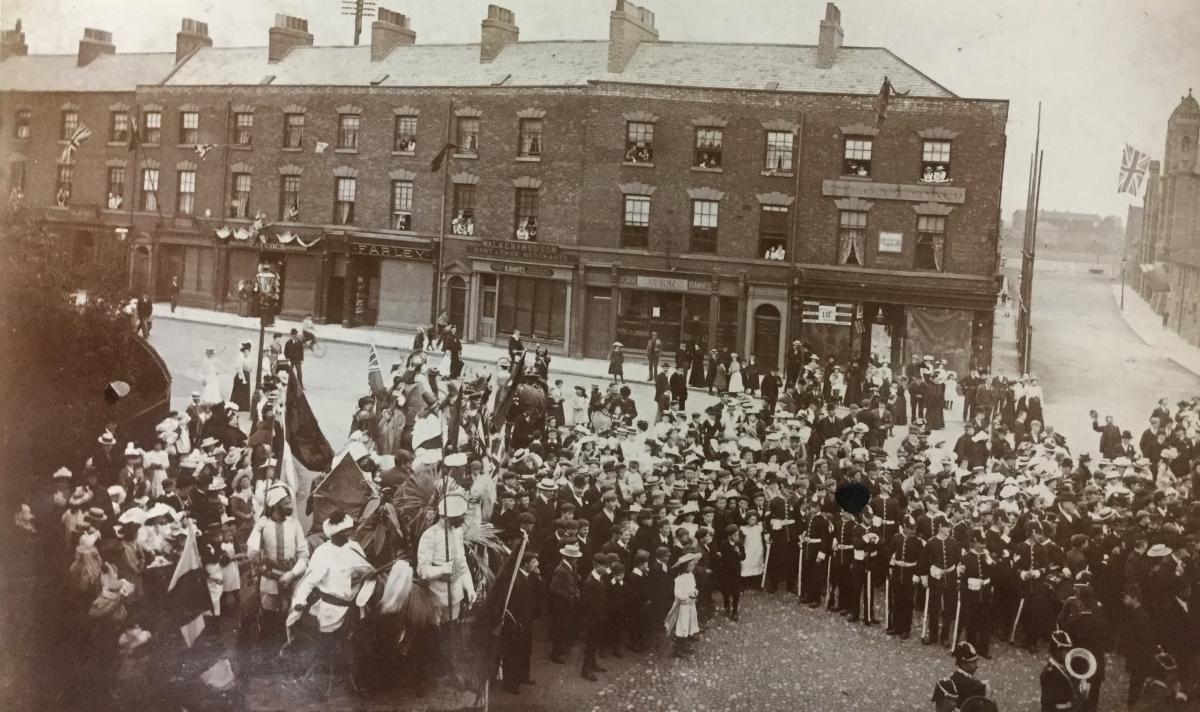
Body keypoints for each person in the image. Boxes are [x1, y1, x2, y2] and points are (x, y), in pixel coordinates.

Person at [497, 549, 538, 694]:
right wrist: (516, 621)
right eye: (533, 562)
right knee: (513, 653)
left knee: (526, 650)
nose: (536, 564)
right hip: (516, 623)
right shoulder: (516, 580)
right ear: (526, 564)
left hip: (526, 622)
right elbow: (511, 604)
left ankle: (523, 676)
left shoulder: (530, 577)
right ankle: (511, 683)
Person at [580, 553, 610, 680]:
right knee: (590, 645)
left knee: (594, 643)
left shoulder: (599, 577)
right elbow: (588, 604)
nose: (606, 569)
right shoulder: (590, 582)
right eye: (605, 566)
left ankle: (592, 664)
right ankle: (585, 670)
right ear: (597, 565)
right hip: (592, 619)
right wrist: (598, 614)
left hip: (598, 618)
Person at [665, 552, 701, 658]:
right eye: (690, 565)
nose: (692, 567)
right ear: (684, 566)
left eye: (693, 565)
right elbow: (678, 594)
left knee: (689, 623)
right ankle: (678, 648)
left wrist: (695, 591)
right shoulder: (679, 579)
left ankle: (684, 644)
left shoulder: (691, 576)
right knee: (682, 625)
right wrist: (688, 596)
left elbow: (693, 586)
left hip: (690, 605)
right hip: (683, 606)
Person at [1040, 629, 1082, 712]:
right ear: (1056, 651)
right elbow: (1049, 703)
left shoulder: (1063, 666)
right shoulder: (1050, 673)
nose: (1068, 654)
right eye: (1065, 651)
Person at [230, 341, 253, 413]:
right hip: (241, 376)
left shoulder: (246, 357)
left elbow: (248, 366)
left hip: (246, 375)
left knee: (244, 392)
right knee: (239, 392)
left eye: (249, 351)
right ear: (245, 350)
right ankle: (237, 406)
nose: (248, 352)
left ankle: (243, 407)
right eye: (247, 351)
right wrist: (243, 378)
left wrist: (250, 369)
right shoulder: (240, 357)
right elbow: (239, 368)